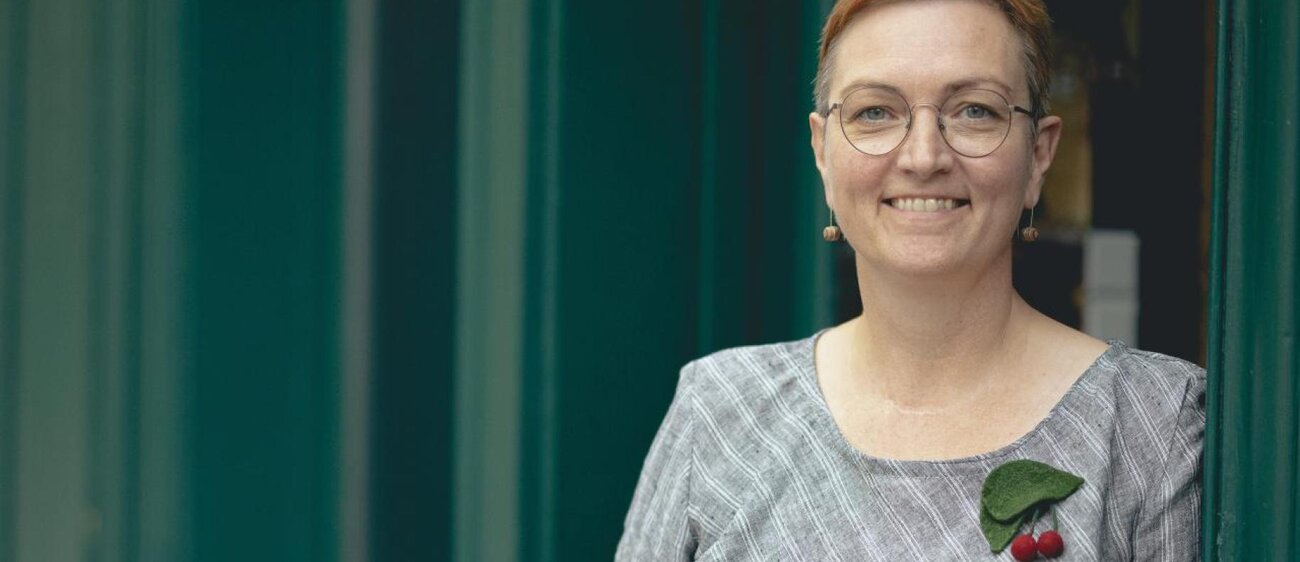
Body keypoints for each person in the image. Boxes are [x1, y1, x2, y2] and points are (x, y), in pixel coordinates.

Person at [616, 0, 1205, 559]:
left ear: (1039, 155)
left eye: (975, 111)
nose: (924, 158)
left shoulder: (1151, 422)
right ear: (822, 152)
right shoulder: (720, 412)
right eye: (875, 112)